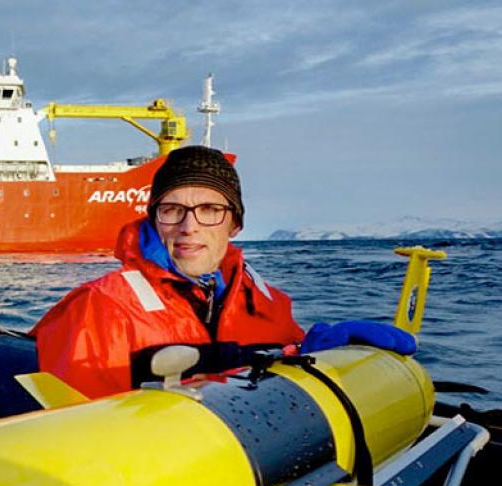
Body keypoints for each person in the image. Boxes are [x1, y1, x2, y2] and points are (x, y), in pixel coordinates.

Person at [32, 145, 412, 399]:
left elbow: (281, 373)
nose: (189, 226)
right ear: (153, 219)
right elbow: (78, 435)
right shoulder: (101, 309)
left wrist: (323, 356)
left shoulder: (262, 299)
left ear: (235, 225)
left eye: (210, 210)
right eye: (172, 209)